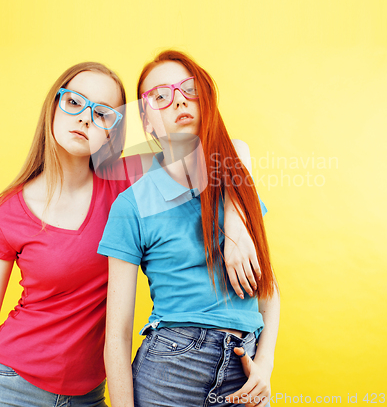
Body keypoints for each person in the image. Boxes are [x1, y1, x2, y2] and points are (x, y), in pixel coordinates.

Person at [0, 61, 258, 407]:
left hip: (90, 395)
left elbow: (226, 151)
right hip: (14, 383)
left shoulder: (126, 179)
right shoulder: (9, 210)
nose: (86, 117)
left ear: (113, 132)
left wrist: (237, 225)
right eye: (74, 102)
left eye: (104, 113)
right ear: (53, 107)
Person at [99, 50, 280, 407]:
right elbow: (116, 336)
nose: (179, 99)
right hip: (170, 367)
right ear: (146, 121)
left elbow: (268, 290)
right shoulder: (132, 205)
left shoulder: (239, 190)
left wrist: (265, 365)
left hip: (245, 371)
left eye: (189, 88)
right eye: (161, 96)